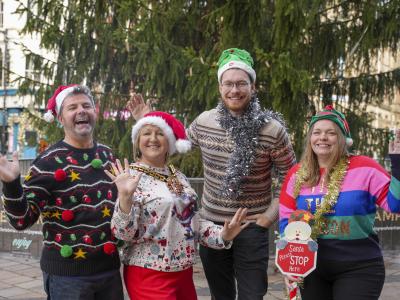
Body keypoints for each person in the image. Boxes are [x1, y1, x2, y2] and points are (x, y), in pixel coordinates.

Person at [128, 48, 296, 300]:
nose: (234, 90)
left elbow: (292, 179)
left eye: (241, 83)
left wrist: (266, 219)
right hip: (210, 226)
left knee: (253, 295)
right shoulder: (204, 122)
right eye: (228, 84)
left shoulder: (273, 130)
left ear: (253, 86)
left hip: (251, 228)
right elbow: (167, 147)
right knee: (221, 295)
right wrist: (148, 121)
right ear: (220, 87)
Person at [106, 111, 249, 300]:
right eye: (147, 133)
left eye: (160, 133)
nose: (153, 139)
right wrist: (124, 198)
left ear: (170, 141)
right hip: (149, 273)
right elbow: (123, 234)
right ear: (138, 140)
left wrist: (222, 235)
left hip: (183, 271)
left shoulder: (177, 176)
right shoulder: (130, 177)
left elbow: (192, 221)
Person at [0, 85, 123, 300]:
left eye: (86, 105)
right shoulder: (47, 161)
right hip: (68, 279)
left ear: (95, 112)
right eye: (72, 107)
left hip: (109, 271)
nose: (81, 111)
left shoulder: (107, 155)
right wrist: (11, 184)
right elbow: (21, 221)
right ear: (60, 118)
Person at [279, 105, 400, 300]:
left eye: (331, 133)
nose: (323, 138)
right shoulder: (297, 174)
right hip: (312, 269)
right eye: (316, 132)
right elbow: (286, 220)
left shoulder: (365, 167)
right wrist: (289, 263)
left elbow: (396, 205)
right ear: (310, 139)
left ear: (343, 139)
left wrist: (398, 165)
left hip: (359, 266)